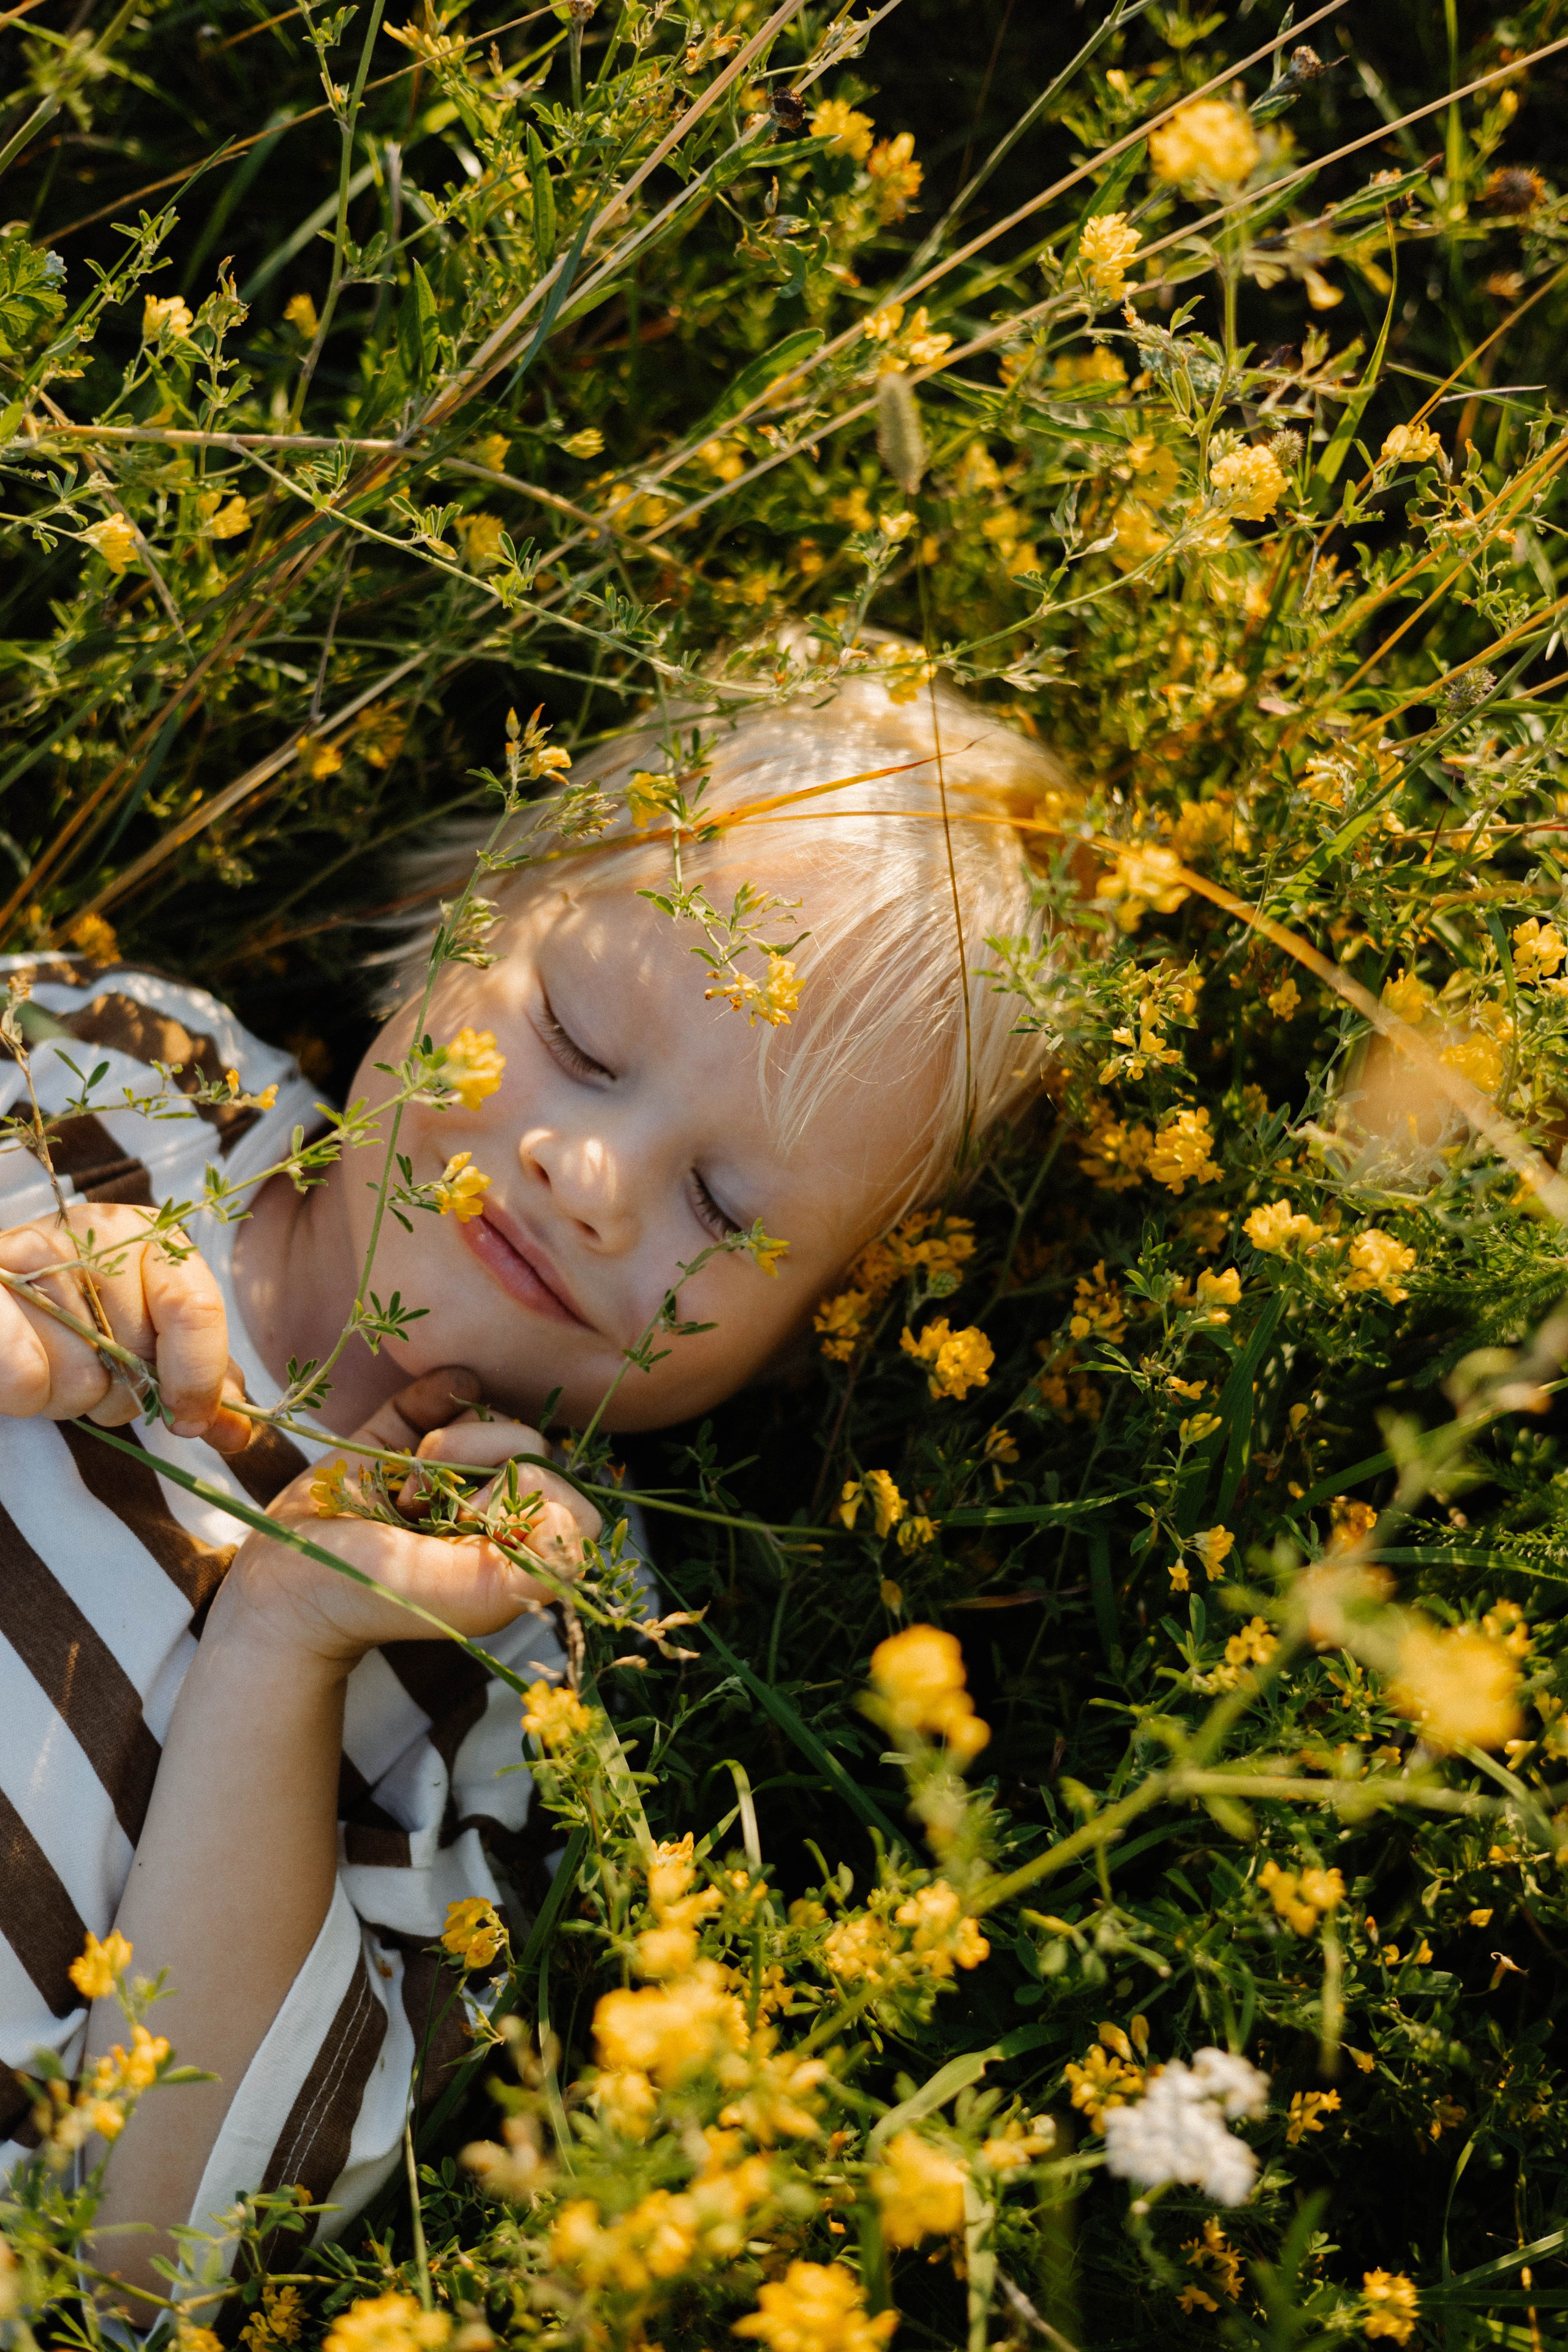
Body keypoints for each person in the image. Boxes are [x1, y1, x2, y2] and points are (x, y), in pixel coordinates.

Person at [0, 657, 1061, 2296]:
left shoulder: (523, 1643)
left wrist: (285, 1646)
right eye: (581, 1037)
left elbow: (153, 2262)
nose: (599, 1184)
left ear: (793, 1340)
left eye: (728, 1209)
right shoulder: (115, 1070)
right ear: (454, 922)